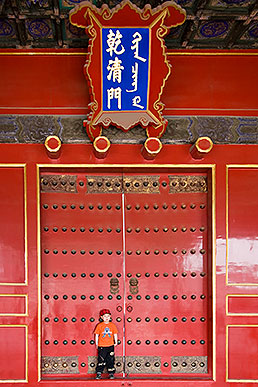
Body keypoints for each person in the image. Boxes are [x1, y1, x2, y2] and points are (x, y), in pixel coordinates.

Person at [94, 308, 118, 379]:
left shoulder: (112, 325)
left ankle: (111, 373)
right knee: (101, 359)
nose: (106, 318)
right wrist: (97, 343)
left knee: (110, 359)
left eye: (108, 316)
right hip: (102, 345)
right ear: (101, 317)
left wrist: (115, 341)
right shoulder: (100, 325)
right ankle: (99, 373)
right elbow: (97, 335)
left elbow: (115, 334)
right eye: (104, 316)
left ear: (110, 316)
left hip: (110, 345)